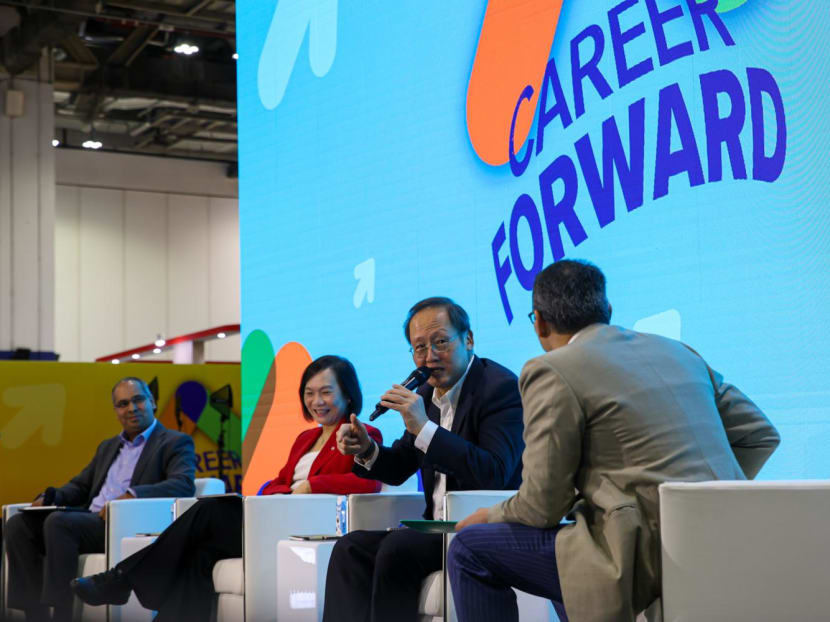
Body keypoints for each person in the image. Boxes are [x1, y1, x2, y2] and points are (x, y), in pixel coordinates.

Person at [447, 260, 781, 622]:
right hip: (731, 536)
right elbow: (760, 435)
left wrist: (491, 515)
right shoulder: (679, 352)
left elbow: (541, 507)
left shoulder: (551, 369)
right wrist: (702, 499)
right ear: (607, 310)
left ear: (539, 322)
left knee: (468, 548)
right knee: (575, 541)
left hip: (642, 555)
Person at [72, 355, 382, 622]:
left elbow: (367, 482)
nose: (316, 401)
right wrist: (284, 493)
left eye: (326, 392)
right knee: (198, 557)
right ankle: (128, 586)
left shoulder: (365, 434)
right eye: (310, 393)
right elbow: (275, 483)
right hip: (273, 516)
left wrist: (310, 487)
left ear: (348, 395)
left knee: (211, 507)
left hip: (307, 526)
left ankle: (121, 578)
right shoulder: (304, 439)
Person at [323, 297, 524, 622]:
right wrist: (366, 450)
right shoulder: (428, 396)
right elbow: (402, 464)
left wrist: (424, 428)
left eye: (441, 342)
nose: (430, 357)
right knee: (351, 548)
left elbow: (495, 472)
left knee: (399, 548)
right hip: (436, 527)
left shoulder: (499, 389)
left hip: (484, 528)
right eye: (419, 348)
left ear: (468, 340)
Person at [4, 377, 196, 622]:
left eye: (138, 400)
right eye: (123, 404)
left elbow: (182, 483)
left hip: (121, 523)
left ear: (152, 402)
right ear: (116, 412)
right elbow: (80, 485)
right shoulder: (108, 446)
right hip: (89, 520)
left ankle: (62, 613)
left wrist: (131, 496)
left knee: (59, 522)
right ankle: (34, 613)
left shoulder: (174, 442)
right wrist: (49, 496)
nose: (131, 408)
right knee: (17, 525)